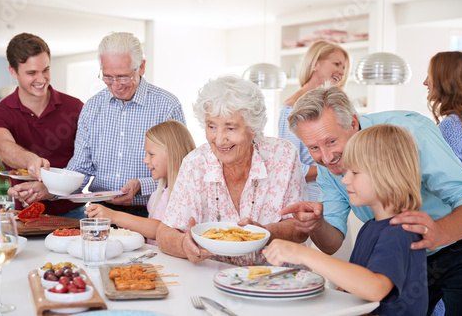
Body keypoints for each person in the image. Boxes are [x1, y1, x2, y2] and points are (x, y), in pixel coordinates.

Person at [284, 85, 462, 316]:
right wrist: (316, 225)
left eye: (331, 142)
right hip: (409, 256)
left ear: (353, 123)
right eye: (313, 148)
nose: (325, 158)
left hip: (460, 244)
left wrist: (441, 231)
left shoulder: (410, 133)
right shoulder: (373, 228)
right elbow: (334, 241)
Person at [9, 32, 186, 218]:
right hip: (100, 211)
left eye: (123, 77)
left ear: (141, 67)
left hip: (152, 212)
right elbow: (79, 169)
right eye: (108, 77)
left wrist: (142, 186)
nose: (116, 85)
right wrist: (47, 189)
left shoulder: (167, 106)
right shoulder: (92, 107)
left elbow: (180, 169)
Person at [264, 124, 427, 315]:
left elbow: (375, 288)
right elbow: (352, 288)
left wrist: (300, 253)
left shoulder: (400, 231)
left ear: (387, 174)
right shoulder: (371, 227)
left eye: (355, 173)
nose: (345, 179)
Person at [156, 75, 308, 266]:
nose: (219, 140)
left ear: (253, 128)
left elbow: (301, 229)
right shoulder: (195, 164)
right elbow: (163, 234)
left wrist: (264, 233)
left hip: (275, 281)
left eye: (230, 128)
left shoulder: (283, 156)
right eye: (211, 126)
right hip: (213, 279)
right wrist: (183, 245)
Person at [0, 33, 84, 217]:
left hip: (73, 213)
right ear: (13, 72)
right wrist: (31, 161)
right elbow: (1, 145)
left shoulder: (76, 107)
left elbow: (88, 161)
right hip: (23, 215)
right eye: (31, 73)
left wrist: (50, 188)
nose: (41, 79)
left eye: (45, 70)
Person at [85, 120, 196, 245]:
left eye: (151, 154)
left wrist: (114, 216)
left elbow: (162, 230)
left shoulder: (188, 194)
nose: (145, 160)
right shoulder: (158, 195)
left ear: (172, 152)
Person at [279, 40, 349, 202]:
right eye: (337, 64)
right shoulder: (291, 109)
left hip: (337, 195)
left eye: (344, 67)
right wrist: (336, 167)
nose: (341, 71)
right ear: (315, 64)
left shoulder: (333, 108)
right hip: (310, 199)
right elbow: (290, 167)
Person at [425, 51, 462, 172]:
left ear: (446, 80)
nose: (425, 82)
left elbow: (442, 178)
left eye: (430, 75)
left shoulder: (453, 124)